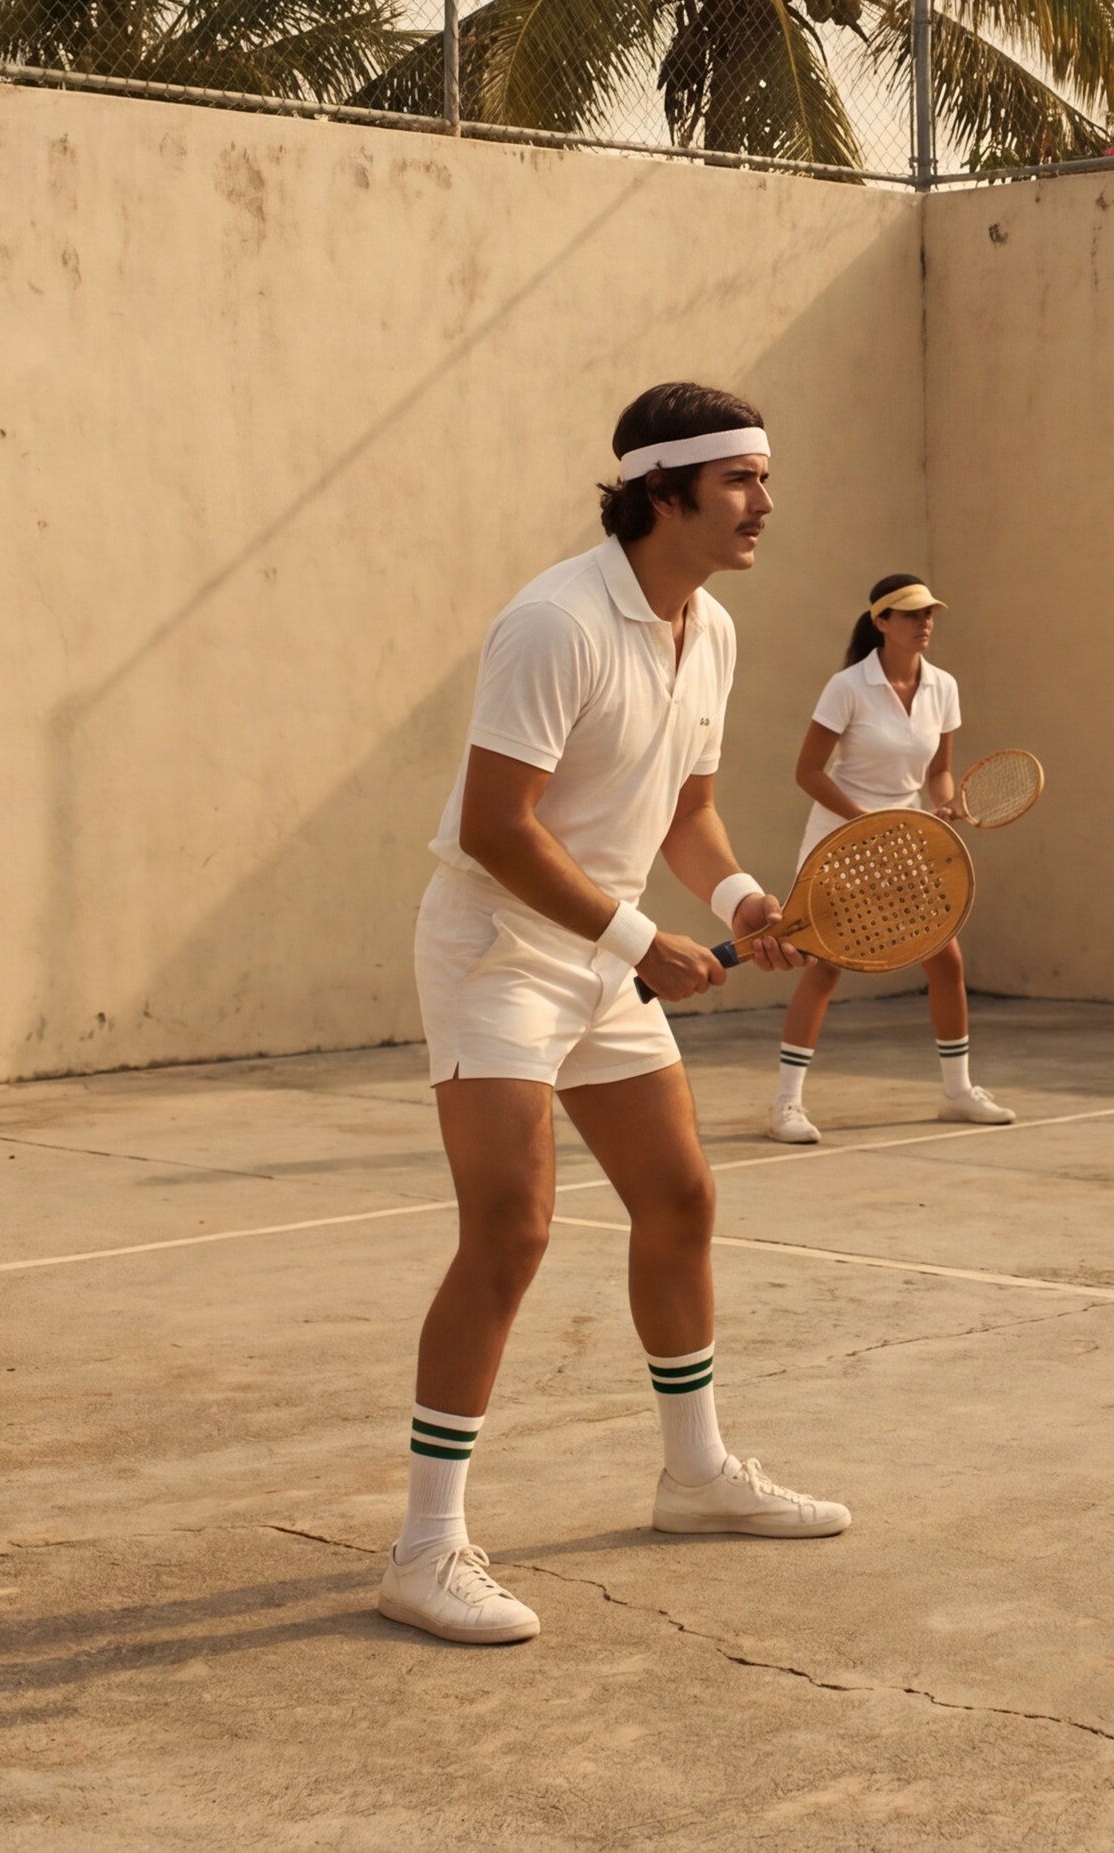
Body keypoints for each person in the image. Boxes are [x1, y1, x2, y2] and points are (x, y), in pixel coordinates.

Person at [379, 383, 852, 1649]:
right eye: (742, 480)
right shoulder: (553, 623)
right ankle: (425, 1549)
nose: (766, 503)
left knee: (683, 1199)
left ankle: (694, 1478)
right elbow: (495, 827)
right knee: (510, 1230)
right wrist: (645, 942)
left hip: (599, 953)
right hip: (499, 952)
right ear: (665, 492)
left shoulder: (715, 630)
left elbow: (684, 809)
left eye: (766, 476)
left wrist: (744, 900)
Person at [764, 574, 1013, 1143]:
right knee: (823, 966)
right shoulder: (846, 687)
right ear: (881, 622)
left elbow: (938, 772)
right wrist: (865, 823)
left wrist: (948, 804)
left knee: (945, 960)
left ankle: (957, 1092)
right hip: (840, 841)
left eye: (929, 614)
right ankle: (786, 1106)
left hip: (905, 842)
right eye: (910, 614)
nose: (924, 623)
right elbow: (807, 772)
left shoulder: (944, 687)